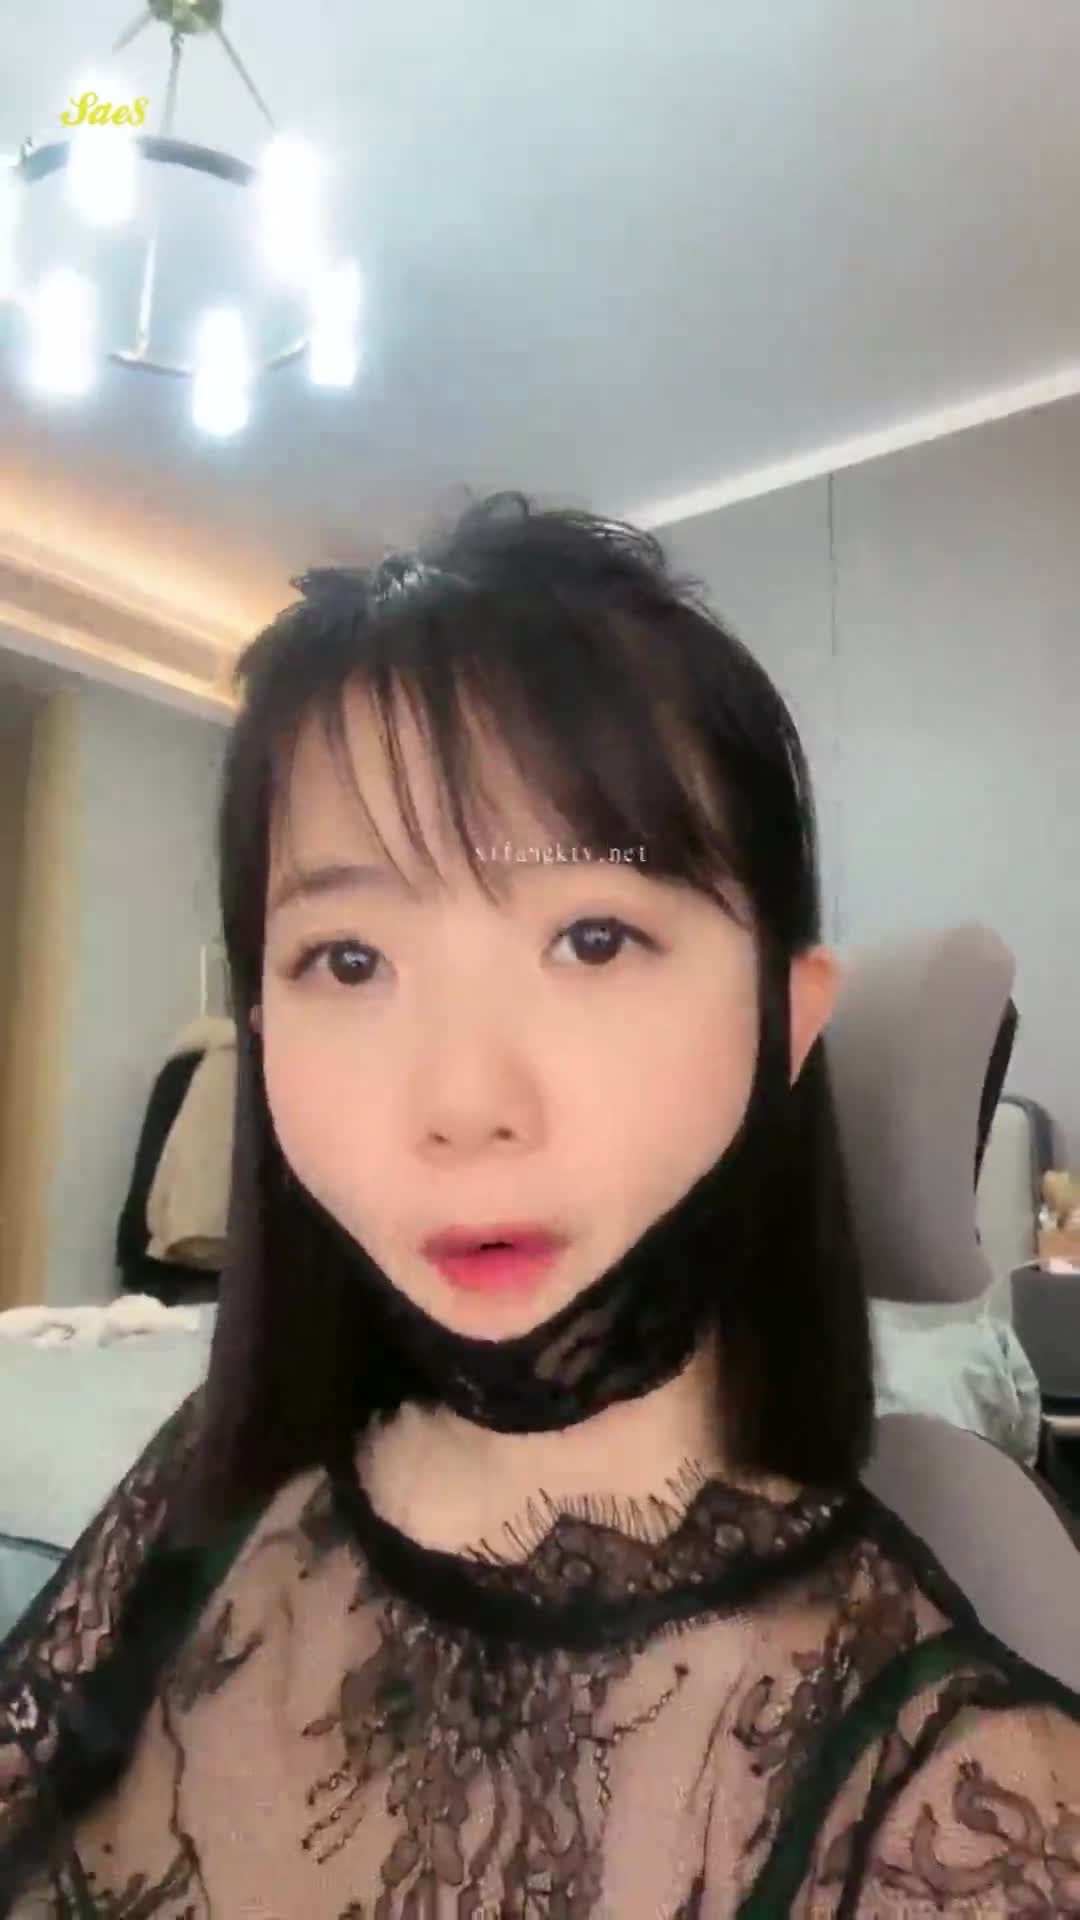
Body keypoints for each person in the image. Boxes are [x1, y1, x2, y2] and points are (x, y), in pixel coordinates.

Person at [1, 495, 1078, 1918]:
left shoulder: (959, 1804)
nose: (461, 1101)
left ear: (788, 1018)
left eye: (593, 938)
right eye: (347, 960)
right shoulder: (212, 1481)